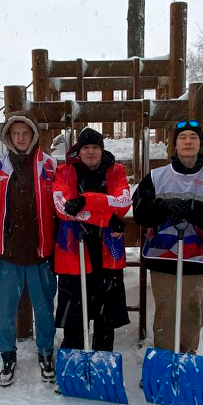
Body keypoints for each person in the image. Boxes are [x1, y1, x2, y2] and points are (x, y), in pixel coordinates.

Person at [132, 119, 203, 354]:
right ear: (174, 144)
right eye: (182, 137)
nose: (188, 141)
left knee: (191, 311)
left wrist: (192, 208)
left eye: (193, 137)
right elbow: (141, 211)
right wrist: (164, 207)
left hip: (195, 256)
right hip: (163, 255)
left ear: (200, 144)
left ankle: (187, 358)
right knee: (166, 311)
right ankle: (164, 360)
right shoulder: (156, 177)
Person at [0, 115, 58, 387]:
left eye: (26, 132)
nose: (21, 137)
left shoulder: (48, 165)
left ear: (34, 135)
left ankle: (46, 353)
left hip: (41, 253)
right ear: (9, 136)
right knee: (5, 309)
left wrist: (60, 247)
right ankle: (7, 354)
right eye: (16, 133)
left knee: (45, 309)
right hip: (6, 254)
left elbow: (59, 208)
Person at [52, 127, 132, 351]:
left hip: (106, 252)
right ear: (79, 150)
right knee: (74, 318)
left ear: (101, 150)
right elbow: (62, 207)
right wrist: (107, 215)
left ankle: (102, 365)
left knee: (105, 317)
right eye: (85, 147)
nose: (90, 152)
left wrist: (85, 201)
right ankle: (73, 364)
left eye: (95, 147)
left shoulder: (116, 171)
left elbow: (123, 201)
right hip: (74, 251)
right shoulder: (65, 172)